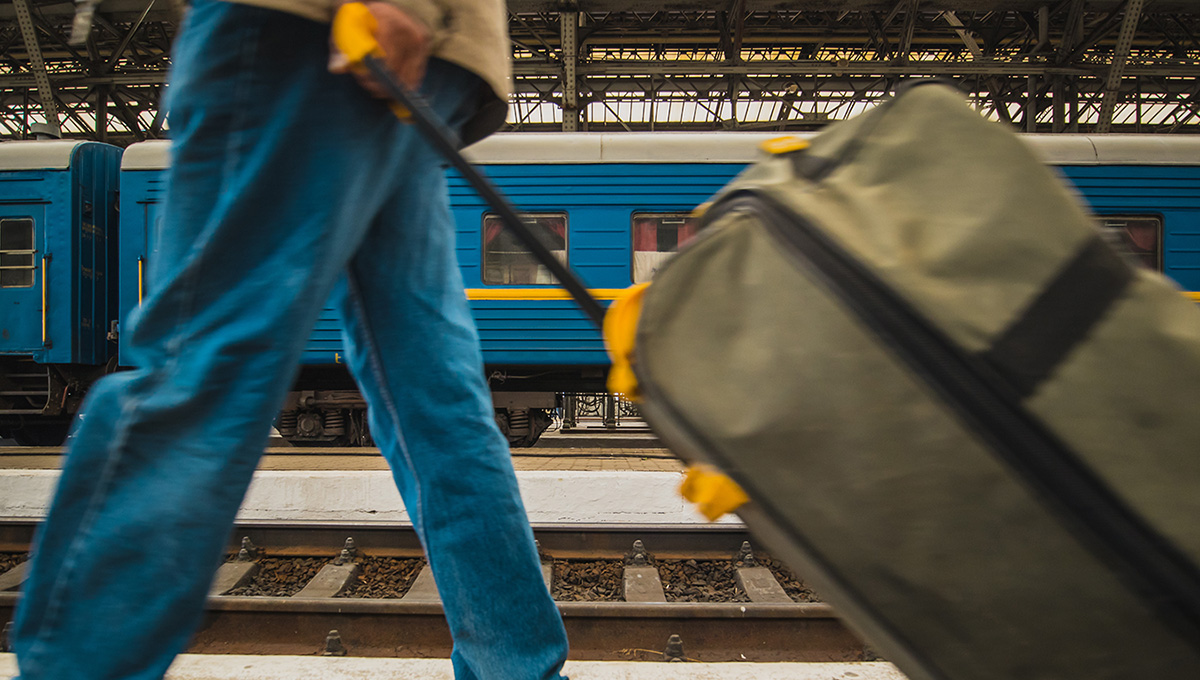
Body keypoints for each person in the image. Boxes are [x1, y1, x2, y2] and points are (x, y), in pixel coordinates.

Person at [10, 0, 570, 678]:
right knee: (439, 405)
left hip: (316, 29)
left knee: (201, 373)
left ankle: (79, 665)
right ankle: (517, 667)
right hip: (442, 58)